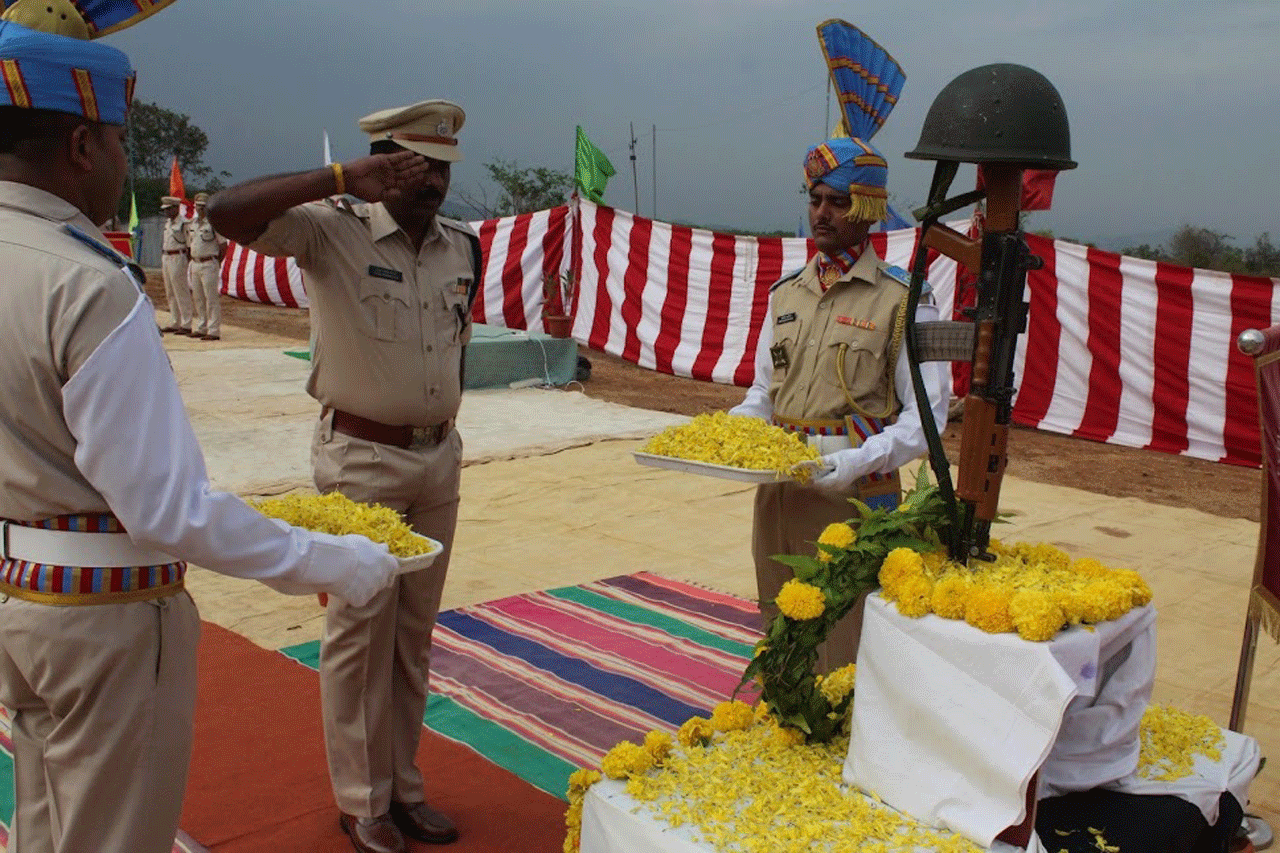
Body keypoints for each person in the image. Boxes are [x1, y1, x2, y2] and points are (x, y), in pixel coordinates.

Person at [0, 8, 400, 853]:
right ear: (81, 146)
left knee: (46, 826)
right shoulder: (87, 283)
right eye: (117, 141)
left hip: (18, 594)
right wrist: (338, 562)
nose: (120, 160)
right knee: (113, 836)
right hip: (104, 615)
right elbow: (167, 507)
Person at [208, 99, 480, 853]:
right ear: (380, 164)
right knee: (360, 632)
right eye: (416, 164)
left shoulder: (465, 246)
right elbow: (224, 213)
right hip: (363, 459)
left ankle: (404, 787)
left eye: (443, 166)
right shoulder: (330, 228)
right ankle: (363, 803)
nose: (432, 180)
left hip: (438, 459)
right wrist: (336, 177)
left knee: (413, 636)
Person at [729, 135, 951, 672]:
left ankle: (844, 744)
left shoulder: (904, 300)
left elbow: (928, 422)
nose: (821, 213)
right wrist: (736, 429)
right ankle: (788, 729)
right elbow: (764, 392)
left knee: (844, 639)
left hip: (853, 499)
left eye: (837, 201)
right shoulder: (786, 294)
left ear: (869, 209)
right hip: (779, 495)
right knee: (778, 622)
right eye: (814, 199)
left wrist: (857, 461)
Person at [188, 191, 227, 340]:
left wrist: (217, 262)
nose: (200, 209)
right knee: (198, 297)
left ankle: (213, 330)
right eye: (198, 206)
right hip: (196, 263)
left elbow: (223, 245)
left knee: (211, 298)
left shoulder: (214, 224)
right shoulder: (193, 224)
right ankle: (201, 327)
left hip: (209, 263)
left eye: (203, 206)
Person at [159, 194, 194, 335]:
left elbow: (190, 243)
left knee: (181, 291)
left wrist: (188, 261)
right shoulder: (168, 223)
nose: (166, 212)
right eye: (165, 209)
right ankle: (175, 321)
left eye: (169, 209)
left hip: (178, 256)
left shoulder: (184, 223)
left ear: (176, 208)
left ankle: (186, 323)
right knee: (170, 291)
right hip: (166, 256)